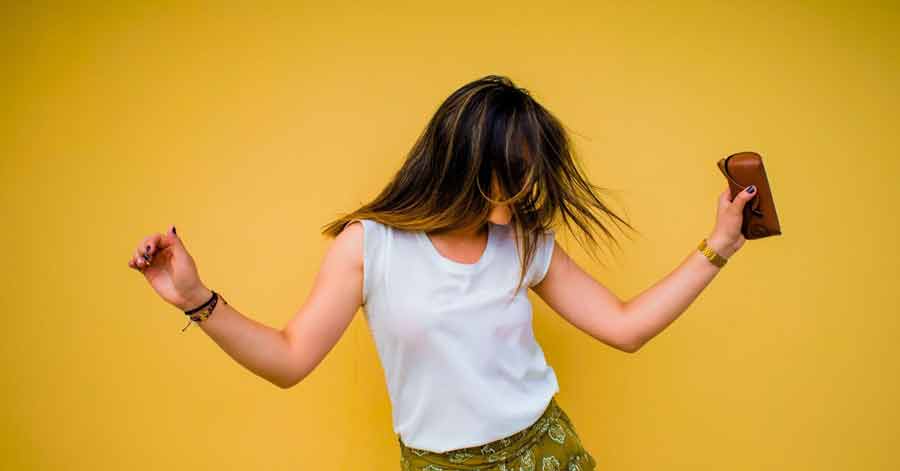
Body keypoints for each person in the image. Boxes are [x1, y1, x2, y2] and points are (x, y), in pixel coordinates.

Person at [127, 75, 756, 470]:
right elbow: (290, 361)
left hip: (547, 454)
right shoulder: (369, 246)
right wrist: (197, 300)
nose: (531, 182)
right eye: (519, 166)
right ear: (466, 164)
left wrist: (720, 246)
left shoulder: (524, 241)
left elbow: (626, 327)